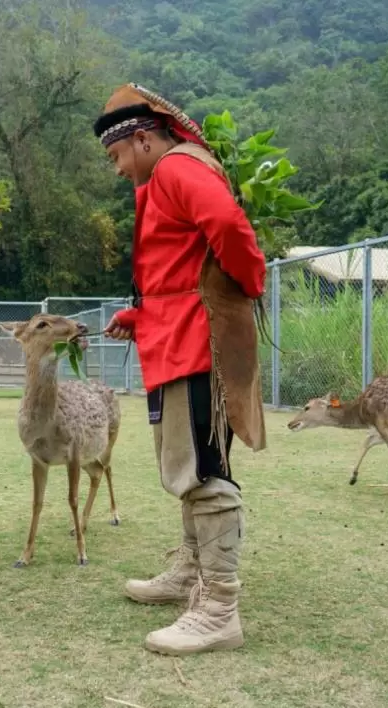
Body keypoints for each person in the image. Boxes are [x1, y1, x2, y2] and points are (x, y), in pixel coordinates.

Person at [93, 83, 269, 655]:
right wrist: (140, 315)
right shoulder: (164, 175)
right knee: (187, 464)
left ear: (141, 139)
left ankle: (219, 608)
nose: (116, 169)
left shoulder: (174, 169)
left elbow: (229, 226)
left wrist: (245, 289)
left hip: (196, 342)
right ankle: (193, 574)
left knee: (204, 469)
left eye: (116, 156)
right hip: (172, 340)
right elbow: (178, 270)